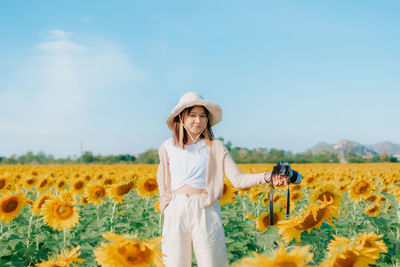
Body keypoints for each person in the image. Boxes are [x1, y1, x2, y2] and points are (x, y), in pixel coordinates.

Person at [157, 92, 302, 267]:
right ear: (181, 117)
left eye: (203, 116)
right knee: (173, 263)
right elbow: (163, 179)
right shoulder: (167, 147)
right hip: (176, 211)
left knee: (212, 263)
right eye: (192, 115)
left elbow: (238, 179)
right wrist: (167, 205)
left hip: (206, 210)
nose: (198, 121)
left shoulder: (215, 147)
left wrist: (268, 177)